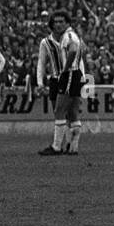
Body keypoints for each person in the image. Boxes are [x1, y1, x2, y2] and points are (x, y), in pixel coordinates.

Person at [37, 10, 87, 156]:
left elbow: (74, 54)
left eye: (61, 22)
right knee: (69, 113)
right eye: (56, 22)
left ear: (67, 23)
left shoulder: (69, 36)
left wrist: (67, 71)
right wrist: (40, 82)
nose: (58, 25)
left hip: (67, 76)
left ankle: (57, 146)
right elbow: (41, 62)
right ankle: (72, 146)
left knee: (61, 110)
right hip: (58, 78)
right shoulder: (47, 42)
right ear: (51, 24)